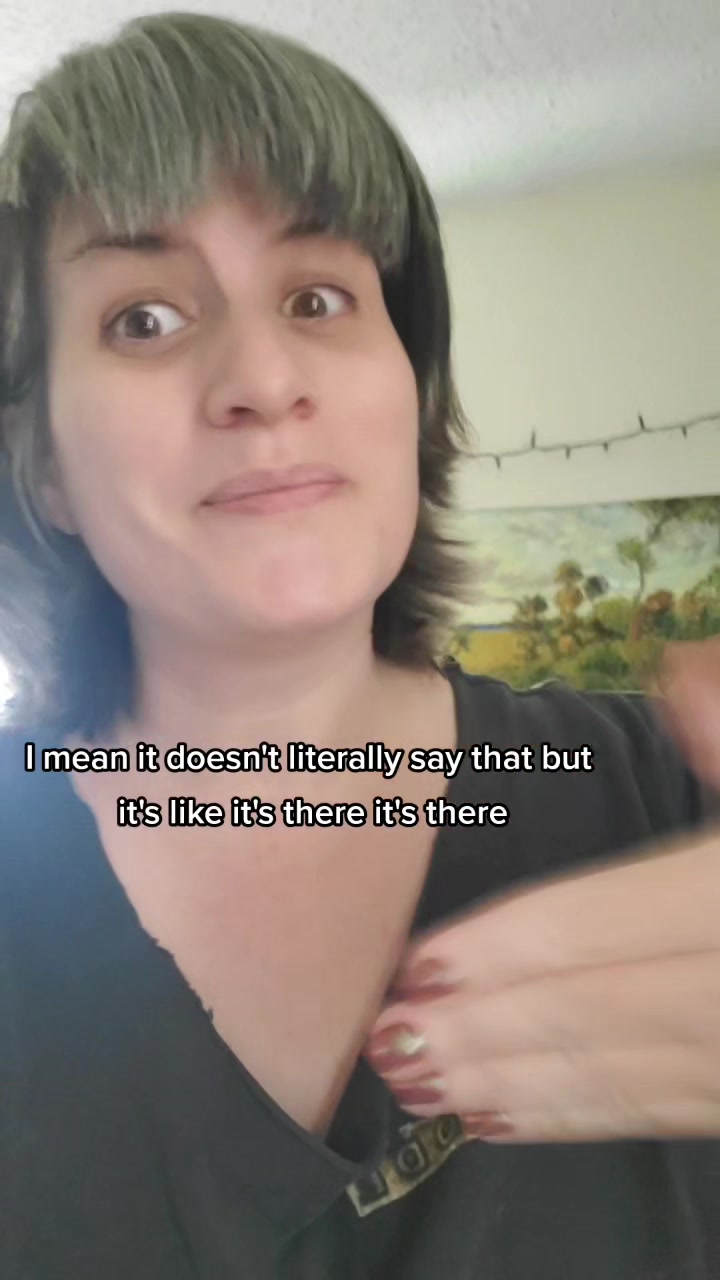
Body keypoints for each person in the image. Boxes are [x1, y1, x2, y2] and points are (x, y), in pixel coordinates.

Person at [0, 12, 718, 1279]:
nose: (264, 376)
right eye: (143, 319)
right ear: (43, 463)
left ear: (411, 387)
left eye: (318, 296)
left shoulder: (664, 798)